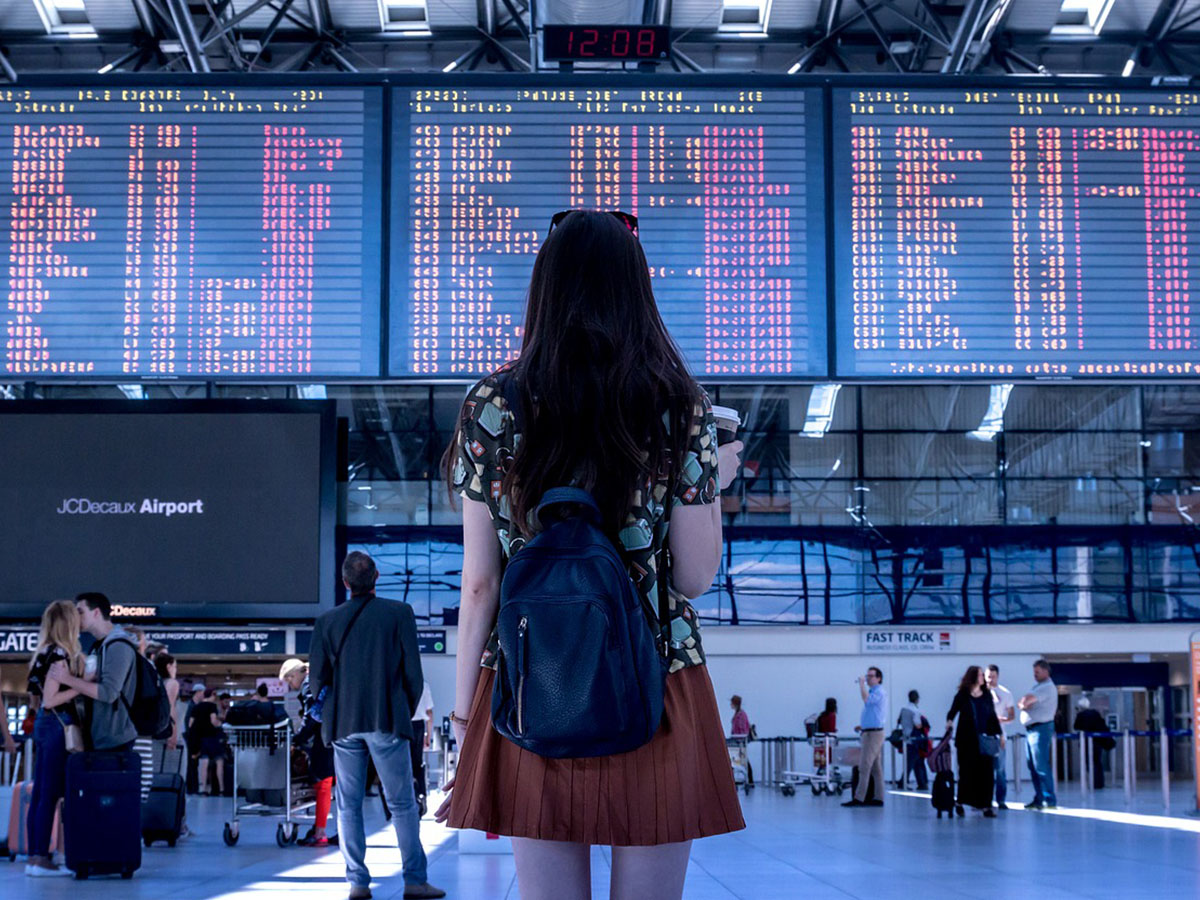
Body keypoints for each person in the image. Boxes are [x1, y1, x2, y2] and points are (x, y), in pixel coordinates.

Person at [437, 209, 746, 900]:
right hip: (659, 679)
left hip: (530, 676)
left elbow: (481, 585)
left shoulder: (494, 402)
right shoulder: (681, 406)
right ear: (637, 289)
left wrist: (464, 720)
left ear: (544, 288)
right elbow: (695, 578)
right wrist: (709, 484)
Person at [309, 551, 444, 900]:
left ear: (344, 582)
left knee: (348, 804)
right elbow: (414, 674)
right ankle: (415, 881)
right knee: (402, 804)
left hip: (342, 724)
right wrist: (403, 709)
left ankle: (357, 883)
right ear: (377, 577)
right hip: (387, 718)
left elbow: (316, 680)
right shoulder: (399, 613)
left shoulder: (327, 621)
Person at [25, 600, 85, 877]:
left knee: (39, 793)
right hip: (58, 726)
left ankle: (35, 855)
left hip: (43, 725)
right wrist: (81, 687)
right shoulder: (60, 654)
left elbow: (37, 699)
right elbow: (50, 699)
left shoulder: (41, 653)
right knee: (49, 794)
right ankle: (40, 858)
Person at [50, 593, 137, 754]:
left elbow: (108, 693)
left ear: (96, 612)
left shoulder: (118, 646)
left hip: (114, 740)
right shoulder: (100, 646)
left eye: (81, 612)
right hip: (101, 737)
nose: (76, 617)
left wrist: (67, 679)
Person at [279, 657, 338, 848]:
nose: (290, 684)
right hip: (337, 734)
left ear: (296, 673)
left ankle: (320, 832)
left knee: (323, 783)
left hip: (324, 738)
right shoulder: (321, 679)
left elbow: (313, 714)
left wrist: (298, 738)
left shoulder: (308, 684)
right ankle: (330, 829)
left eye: (289, 679)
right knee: (334, 785)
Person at [946, 666, 1003, 818]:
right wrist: (949, 721)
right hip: (966, 740)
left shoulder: (986, 695)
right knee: (966, 772)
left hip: (984, 739)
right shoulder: (963, 695)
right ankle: (960, 801)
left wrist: (999, 734)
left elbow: (992, 716)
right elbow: (952, 711)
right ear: (972, 677)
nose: (982, 678)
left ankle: (986, 805)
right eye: (979, 675)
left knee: (986, 773)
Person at [154, 653, 190, 837]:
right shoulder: (172, 684)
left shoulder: (155, 682)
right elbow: (170, 708)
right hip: (169, 736)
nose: (176, 669)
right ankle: (179, 823)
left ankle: (157, 819)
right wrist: (174, 734)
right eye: (175, 665)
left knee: (156, 778)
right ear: (168, 666)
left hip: (155, 737)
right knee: (178, 778)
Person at [843, 667, 887, 808]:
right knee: (875, 768)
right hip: (869, 732)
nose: (868, 678)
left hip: (874, 734)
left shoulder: (879, 692)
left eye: (871, 676)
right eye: (867, 676)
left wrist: (861, 685)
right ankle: (879, 798)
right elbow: (874, 714)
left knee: (864, 766)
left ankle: (859, 798)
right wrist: (863, 726)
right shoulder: (875, 692)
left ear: (879, 678)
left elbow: (866, 700)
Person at [1018, 659, 1058, 810]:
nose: (1034, 675)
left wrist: (1024, 703)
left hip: (1040, 729)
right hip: (1032, 730)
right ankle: (1039, 798)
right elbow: (1023, 701)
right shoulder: (1038, 686)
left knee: (1040, 765)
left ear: (1046, 671)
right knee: (1033, 766)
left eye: (1037, 672)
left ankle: (1049, 800)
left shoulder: (1046, 687)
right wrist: (1024, 702)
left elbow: (1025, 701)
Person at [987, 665, 1016, 810]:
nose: (990, 679)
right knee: (983, 770)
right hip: (983, 736)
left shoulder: (1005, 693)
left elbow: (1012, 716)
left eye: (993, 676)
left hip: (999, 737)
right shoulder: (979, 693)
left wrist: (1000, 720)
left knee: (1000, 770)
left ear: (997, 676)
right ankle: (983, 799)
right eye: (988, 676)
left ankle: (1001, 800)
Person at [187, 689, 225, 796]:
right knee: (219, 762)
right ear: (212, 695)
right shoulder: (212, 706)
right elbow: (213, 720)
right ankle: (221, 789)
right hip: (212, 737)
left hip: (201, 739)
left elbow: (190, 724)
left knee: (203, 763)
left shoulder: (196, 707)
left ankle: (202, 789)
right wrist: (220, 724)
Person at [1074, 697, 1110, 790]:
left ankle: (1092, 782)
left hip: (1086, 742)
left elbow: (1076, 726)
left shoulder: (1081, 715)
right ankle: (1100, 783)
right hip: (1098, 741)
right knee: (1098, 762)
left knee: (1089, 762)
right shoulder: (1095, 713)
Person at [410, 681, 434, 817]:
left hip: (401, 725)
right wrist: (428, 736)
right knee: (417, 764)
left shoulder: (396, 681)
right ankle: (421, 795)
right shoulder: (423, 684)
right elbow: (429, 713)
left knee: (402, 765)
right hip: (418, 727)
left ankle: (408, 799)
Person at [897, 690, 928, 791]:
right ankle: (903, 782)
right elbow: (917, 725)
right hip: (914, 739)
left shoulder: (903, 709)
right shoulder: (915, 710)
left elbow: (899, 721)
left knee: (916, 761)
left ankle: (922, 783)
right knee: (911, 762)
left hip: (905, 737)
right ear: (917, 699)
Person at [729, 695, 754, 787]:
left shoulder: (741, 715)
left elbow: (743, 729)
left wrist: (738, 737)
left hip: (740, 741)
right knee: (741, 759)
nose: (730, 705)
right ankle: (749, 780)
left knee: (743, 760)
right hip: (737, 740)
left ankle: (750, 780)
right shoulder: (737, 714)